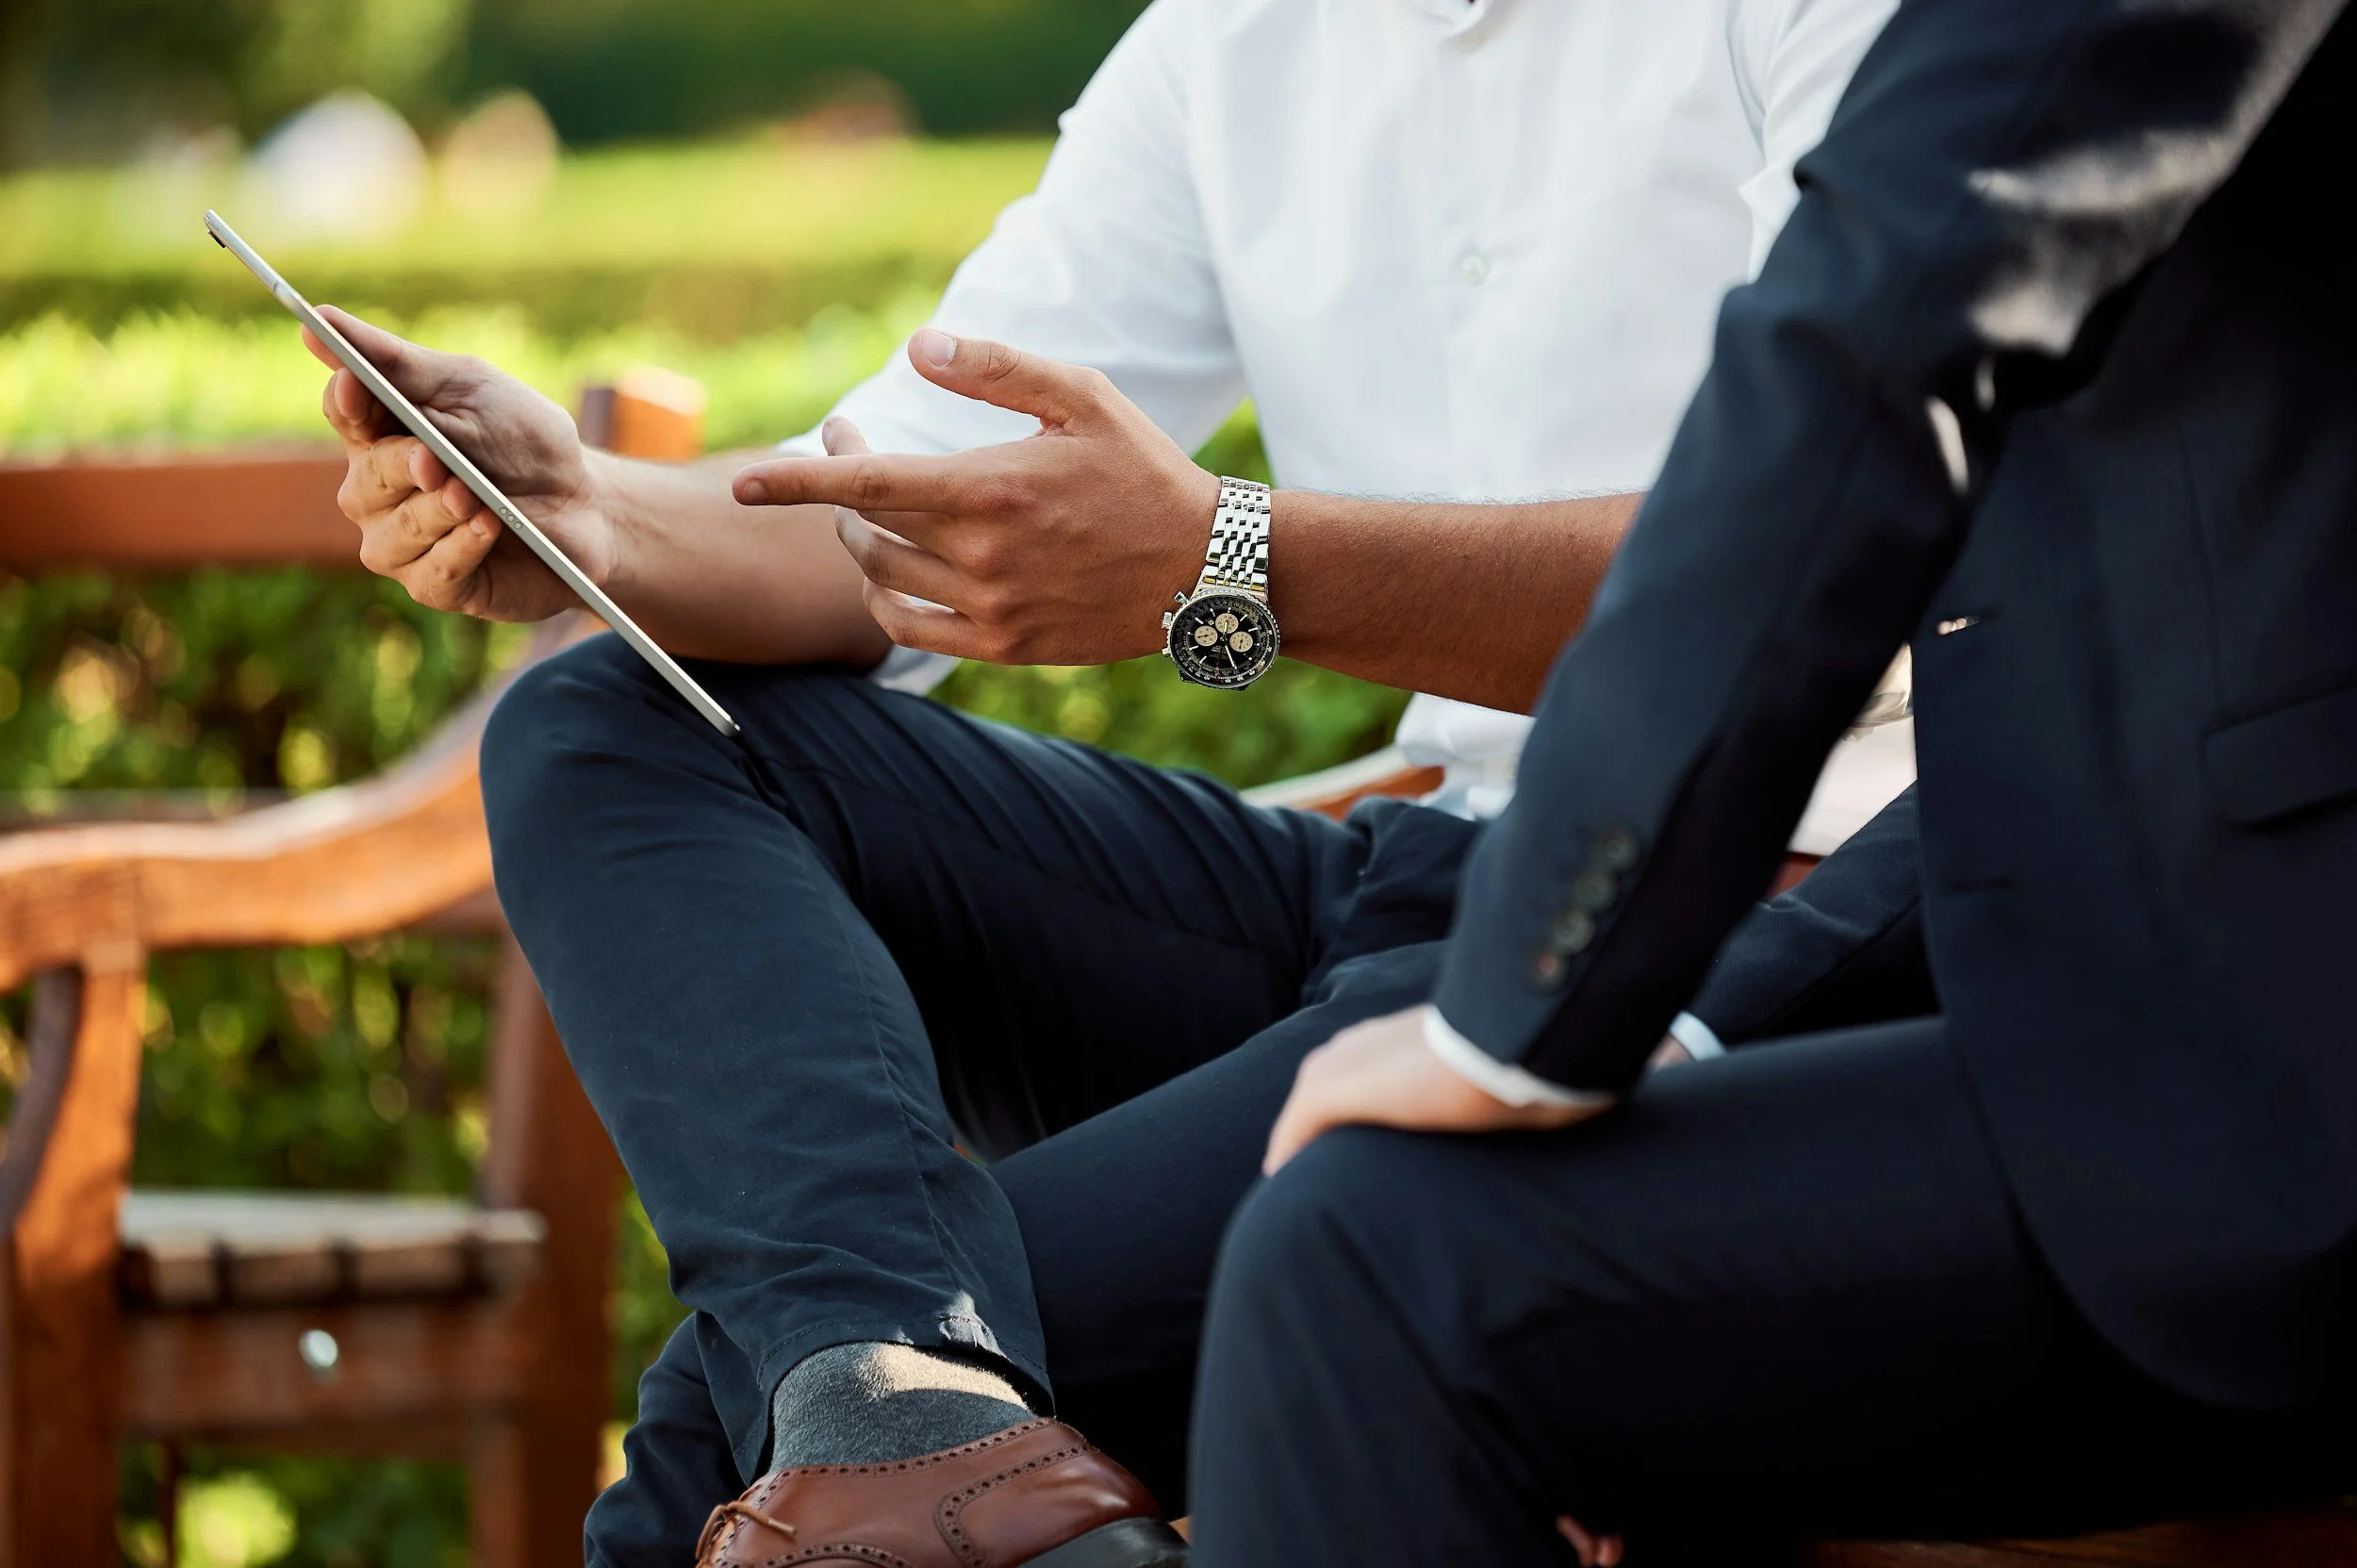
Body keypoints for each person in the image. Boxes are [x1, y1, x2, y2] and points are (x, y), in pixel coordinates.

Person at [309, 1, 1908, 1561]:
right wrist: (585, 512)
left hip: (1743, 922)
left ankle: (894, 1410)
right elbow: (895, 506)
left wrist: (1228, 561)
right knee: (606, 725)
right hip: (1413, 878)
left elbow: (1814, 565)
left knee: (733, 1437)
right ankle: (904, 1403)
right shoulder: (1234, 38)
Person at [1142, 0, 2357, 1561]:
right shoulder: (1224, 50)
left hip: (2266, 1078)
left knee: (1372, 1265)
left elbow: (1868, 344)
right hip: (2150, 1012)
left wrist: (1521, 1013)